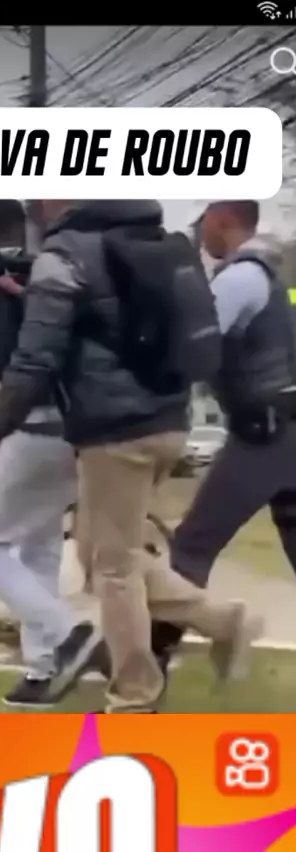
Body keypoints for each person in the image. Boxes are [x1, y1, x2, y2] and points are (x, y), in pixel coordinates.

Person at [0, 199, 263, 714]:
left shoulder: (66, 254)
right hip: (169, 422)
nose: (37, 209)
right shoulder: (154, 243)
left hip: (114, 431)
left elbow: (34, 359)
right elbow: (109, 319)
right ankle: (223, 620)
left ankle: (133, 694)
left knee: (113, 569)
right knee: (103, 554)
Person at [0, 199, 107, 708]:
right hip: (81, 427)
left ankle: (70, 634)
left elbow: (21, 360)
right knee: (40, 547)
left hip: (34, 425)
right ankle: (42, 670)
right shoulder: (60, 274)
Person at [152, 200, 296, 661]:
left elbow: (194, 347)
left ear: (221, 219)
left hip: (263, 436)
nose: (201, 236)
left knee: (192, 546)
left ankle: (150, 664)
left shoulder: (240, 278)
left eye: (203, 225)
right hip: (284, 431)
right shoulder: (268, 275)